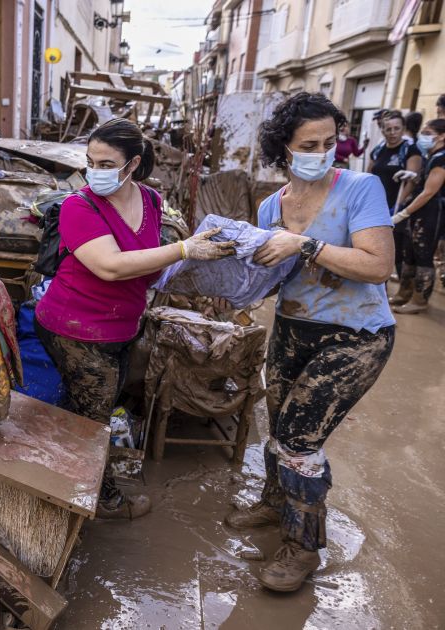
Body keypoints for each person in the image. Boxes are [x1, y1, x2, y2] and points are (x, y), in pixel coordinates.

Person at [224, 93, 395, 593]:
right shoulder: (270, 205)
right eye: (308, 144)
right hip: (295, 329)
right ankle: (274, 503)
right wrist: (231, 268)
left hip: (357, 334)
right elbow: (272, 276)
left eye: (329, 142)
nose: (321, 152)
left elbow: (377, 265)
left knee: (301, 440)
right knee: (278, 424)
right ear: (284, 151)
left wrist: (308, 244)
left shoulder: (361, 187)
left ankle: (302, 548)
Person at [34, 118, 235, 519]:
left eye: (106, 163)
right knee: (94, 418)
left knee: (101, 406)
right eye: (91, 161)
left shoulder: (150, 201)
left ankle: (76, 481)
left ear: (133, 164)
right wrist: (183, 251)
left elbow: (146, 267)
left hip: (121, 326)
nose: (95, 171)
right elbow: (109, 266)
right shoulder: (79, 205)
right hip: (75, 327)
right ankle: (104, 500)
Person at [389, 119, 445, 314]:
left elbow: (429, 192)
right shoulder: (431, 155)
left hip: (431, 211)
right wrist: (413, 176)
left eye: (428, 133)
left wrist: (404, 213)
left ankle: (420, 299)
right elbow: (427, 181)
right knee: (409, 252)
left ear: (442, 136)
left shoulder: (441, 158)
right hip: (420, 210)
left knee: (423, 254)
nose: (423, 136)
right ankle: (405, 294)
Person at [368, 110, 422, 296]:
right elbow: (369, 174)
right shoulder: (379, 148)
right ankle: (377, 290)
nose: (392, 132)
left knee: (397, 250)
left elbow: (412, 180)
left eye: (396, 128)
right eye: (388, 128)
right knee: (374, 249)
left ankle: (404, 292)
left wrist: (398, 207)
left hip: (396, 208)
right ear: (382, 130)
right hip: (375, 205)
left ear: (403, 129)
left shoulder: (410, 149)